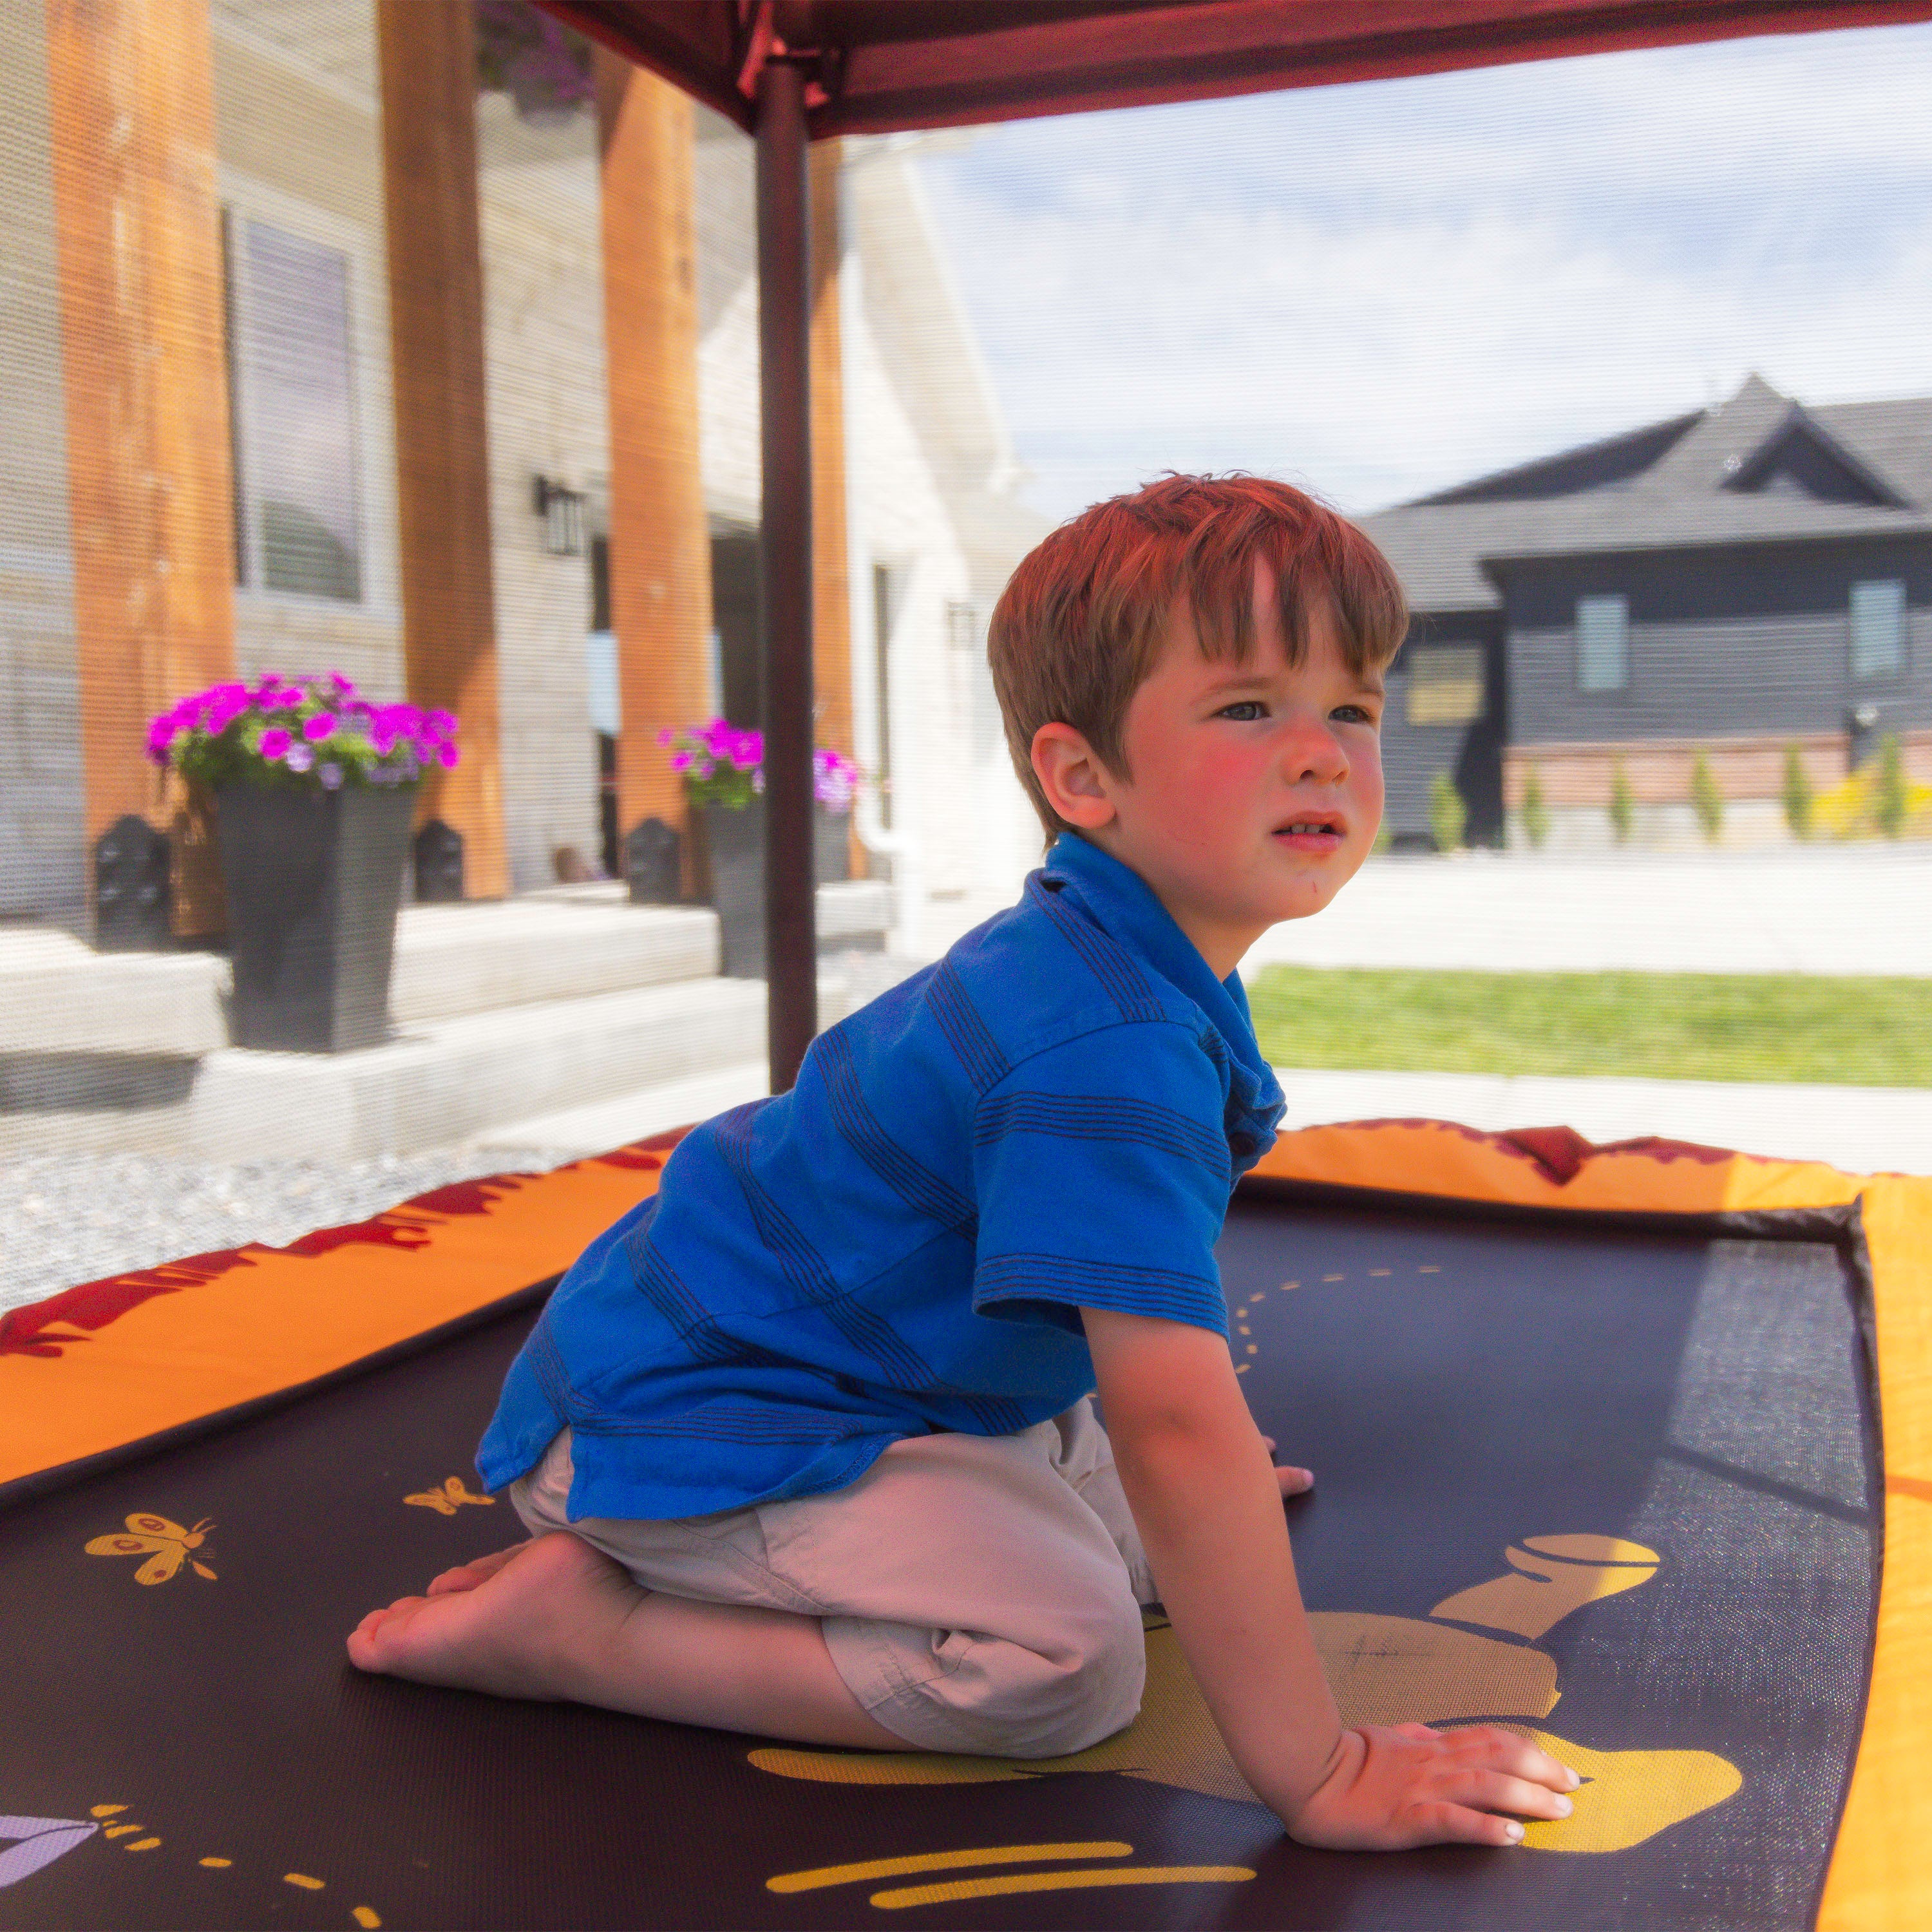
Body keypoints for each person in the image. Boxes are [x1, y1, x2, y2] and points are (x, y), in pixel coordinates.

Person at [348, 473, 1578, 1850]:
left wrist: (1182, 1488)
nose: (1321, 751)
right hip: (705, 1407)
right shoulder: (1101, 1044)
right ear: (1081, 777)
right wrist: (1321, 1768)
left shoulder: (1121, 953)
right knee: (1066, 1659)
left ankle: (968, 1530)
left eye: (1350, 707)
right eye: (1248, 707)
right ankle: (585, 1632)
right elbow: (1174, 1422)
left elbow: (1153, 1391)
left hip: (850, 1357)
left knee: (1153, 1530)